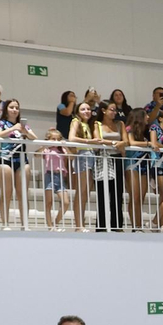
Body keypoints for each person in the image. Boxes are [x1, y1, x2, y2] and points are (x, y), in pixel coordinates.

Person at [0, 100, 34, 230]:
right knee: (7, 192)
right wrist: (12, 129)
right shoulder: (1, 123)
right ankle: (5, 223)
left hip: (21, 160)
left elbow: (33, 137)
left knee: (23, 193)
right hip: (6, 159)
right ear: (6, 109)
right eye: (11, 107)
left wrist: (24, 131)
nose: (14, 110)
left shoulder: (22, 124)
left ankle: (24, 224)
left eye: (17, 107)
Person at [67, 100, 100, 233]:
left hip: (90, 155)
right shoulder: (76, 122)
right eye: (83, 109)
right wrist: (89, 141)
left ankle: (81, 222)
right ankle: (79, 224)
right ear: (77, 112)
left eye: (88, 109)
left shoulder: (90, 124)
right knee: (81, 191)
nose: (86, 111)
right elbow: (71, 138)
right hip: (83, 154)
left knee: (86, 192)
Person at [95, 100, 128, 233]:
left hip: (117, 159)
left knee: (117, 193)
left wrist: (120, 144)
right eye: (111, 110)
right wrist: (116, 143)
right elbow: (98, 140)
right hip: (104, 159)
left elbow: (126, 141)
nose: (114, 112)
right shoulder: (97, 124)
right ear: (104, 111)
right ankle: (101, 226)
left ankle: (117, 225)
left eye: (115, 110)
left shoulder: (120, 124)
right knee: (102, 193)